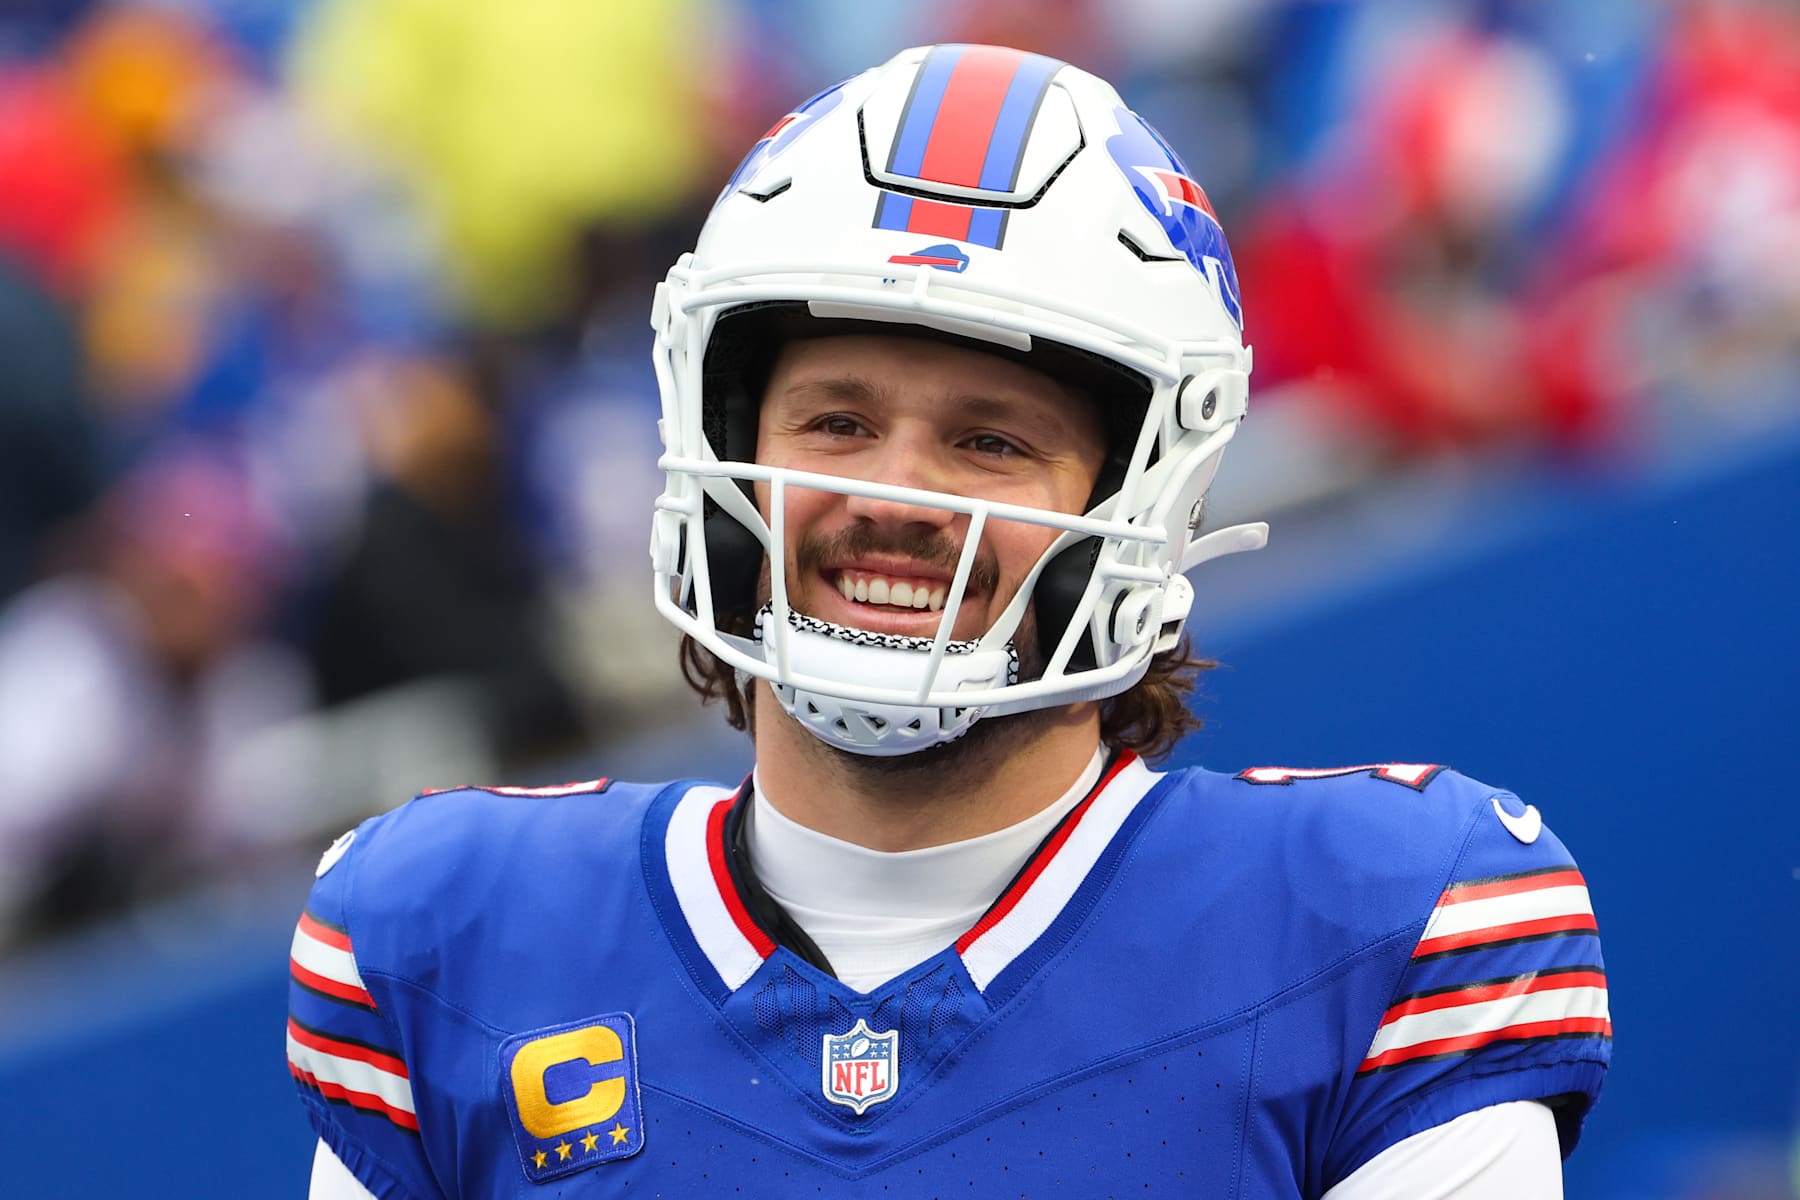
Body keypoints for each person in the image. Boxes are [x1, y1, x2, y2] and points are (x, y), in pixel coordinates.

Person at [289, 45, 1609, 1198]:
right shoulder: (454, 933)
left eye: (989, 441)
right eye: (838, 423)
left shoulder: (1375, 922)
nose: (896, 498)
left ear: (1140, 497)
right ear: (729, 456)